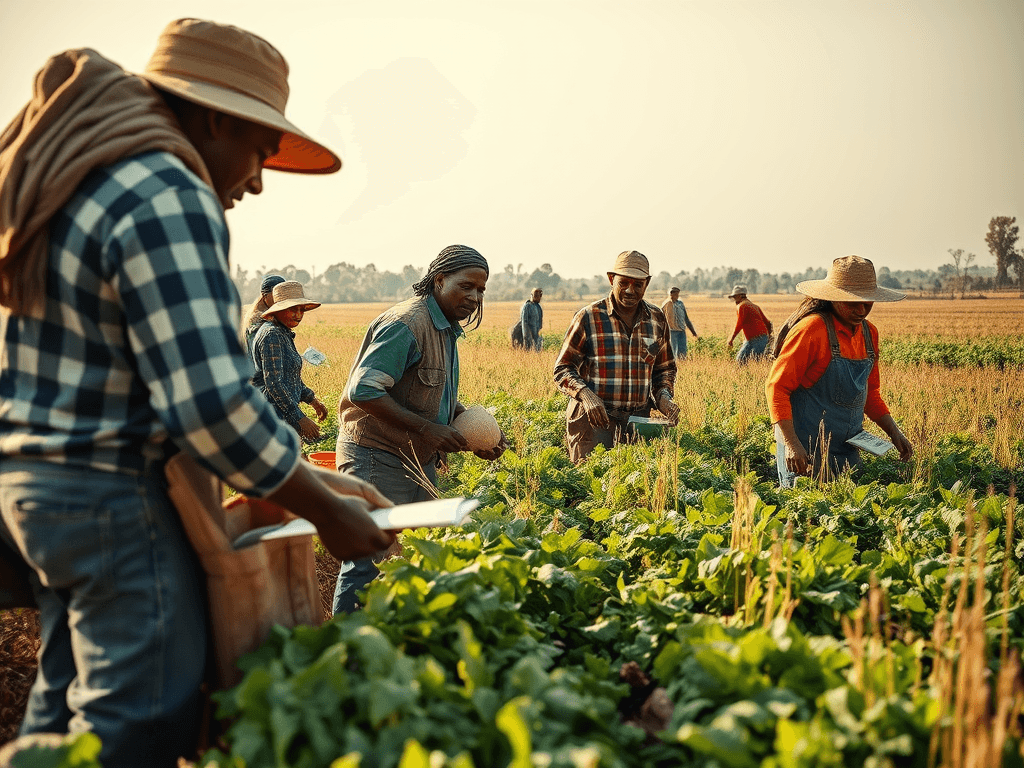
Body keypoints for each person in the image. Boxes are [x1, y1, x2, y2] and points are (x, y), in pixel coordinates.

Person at [0, 19, 393, 768]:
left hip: (40, 496)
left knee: (67, 710)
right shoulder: (167, 191)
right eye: (260, 148)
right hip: (111, 499)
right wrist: (323, 512)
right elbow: (209, 407)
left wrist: (322, 481)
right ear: (214, 117)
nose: (258, 178)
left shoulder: (84, 176)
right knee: (140, 721)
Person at [333, 244, 507, 614]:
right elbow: (363, 390)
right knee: (370, 557)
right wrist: (427, 429)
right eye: (466, 286)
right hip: (375, 458)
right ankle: (343, 645)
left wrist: (473, 434)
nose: (475, 297)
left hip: (416, 457)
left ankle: (392, 641)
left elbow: (432, 393)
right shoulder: (407, 324)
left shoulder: (444, 328)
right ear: (439, 279)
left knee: (419, 551)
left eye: (481, 290)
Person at [766, 255, 914, 487]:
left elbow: (870, 395)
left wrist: (895, 432)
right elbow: (777, 387)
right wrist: (792, 444)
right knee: (806, 515)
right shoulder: (812, 329)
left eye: (867, 302)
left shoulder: (869, 334)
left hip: (846, 449)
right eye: (853, 302)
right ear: (833, 298)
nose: (862, 309)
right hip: (805, 449)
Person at [553, 250, 680, 464]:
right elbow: (563, 368)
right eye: (624, 283)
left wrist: (663, 398)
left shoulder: (657, 319)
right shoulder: (588, 317)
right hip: (594, 421)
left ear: (646, 284)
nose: (630, 290)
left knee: (633, 487)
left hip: (637, 422)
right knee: (591, 486)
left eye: (637, 285)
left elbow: (664, 369)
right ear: (612, 279)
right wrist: (586, 395)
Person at [251, 280, 329, 443]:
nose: (299, 315)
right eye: (293, 309)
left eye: (301, 310)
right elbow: (274, 383)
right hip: (273, 418)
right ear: (278, 310)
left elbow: (290, 377)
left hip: (282, 417)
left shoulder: (282, 333)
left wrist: (313, 401)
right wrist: (300, 418)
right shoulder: (272, 335)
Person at [726, 284, 773, 363]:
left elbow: (739, 324)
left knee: (746, 361)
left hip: (758, 339)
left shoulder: (742, 306)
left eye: (735, 297)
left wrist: (731, 339)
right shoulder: (754, 306)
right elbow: (768, 323)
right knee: (742, 360)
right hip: (755, 339)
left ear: (740, 296)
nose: (734, 300)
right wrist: (769, 337)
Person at [240, 273, 286, 354]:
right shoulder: (260, 320)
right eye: (277, 295)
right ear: (265, 296)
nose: (281, 299)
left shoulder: (267, 315)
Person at [660, 287, 699, 358]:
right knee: (672, 351)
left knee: (682, 351)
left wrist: (693, 332)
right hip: (671, 331)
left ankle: (682, 365)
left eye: (677, 294)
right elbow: (660, 319)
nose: (677, 295)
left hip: (681, 331)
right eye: (675, 293)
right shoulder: (666, 304)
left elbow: (686, 319)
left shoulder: (680, 304)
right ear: (670, 294)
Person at [520, 287, 544, 351]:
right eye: (535, 295)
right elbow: (524, 322)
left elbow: (540, 320)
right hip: (529, 335)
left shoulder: (538, 307)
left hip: (536, 334)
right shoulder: (527, 306)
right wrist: (527, 335)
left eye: (539, 296)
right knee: (529, 350)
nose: (538, 298)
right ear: (532, 295)